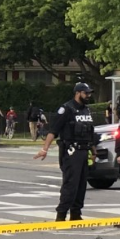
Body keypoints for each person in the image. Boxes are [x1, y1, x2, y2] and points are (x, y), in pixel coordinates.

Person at [33, 83, 97, 221]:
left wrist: (93, 150)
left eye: (89, 93)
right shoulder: (66, 109)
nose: (88, 96)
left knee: (81, 185)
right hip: (71, 151)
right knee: (71, 185)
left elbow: (89, 133)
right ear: (78, 93)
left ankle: (76, 214)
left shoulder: (86, 110)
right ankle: (61, 215)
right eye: (86, 93)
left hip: (84, 151)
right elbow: (53, 131)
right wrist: (45, 149)